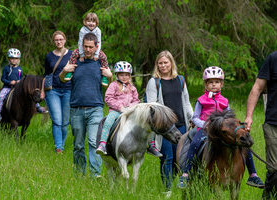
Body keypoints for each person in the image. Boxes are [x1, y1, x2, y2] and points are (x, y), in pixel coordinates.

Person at [179, 66, 264, 189]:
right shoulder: (201, 100)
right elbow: (195, 117)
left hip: (223, 132)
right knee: (195, 144)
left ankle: (253, 175)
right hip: (205, 130)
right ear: (206, 84)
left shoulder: (224, 100)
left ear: (221, 84)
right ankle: (185, 174)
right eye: (211, 82)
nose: (214, 85)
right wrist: (205, 124)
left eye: (217, 82)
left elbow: (229, 117)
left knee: (244, 145)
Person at [59, 32, 112, 177]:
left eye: (91, 47)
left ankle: (96, 175)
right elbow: (62, 79)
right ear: (82, 46)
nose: (88, 50)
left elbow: (109, 88)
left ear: (96, 47)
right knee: (78, 145)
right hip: (76, 109)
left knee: (94, 143)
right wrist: (64, 71)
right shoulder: (75, 62)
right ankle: (79, 174)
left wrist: (110, 76)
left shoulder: (100, 64)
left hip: (96, 108)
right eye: (85, 46)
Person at [146, 50, 193, 190]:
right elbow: (151, 107)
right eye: (160, 63)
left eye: (165, 62)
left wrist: (192, 118)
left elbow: (186, 102)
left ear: (171, 63)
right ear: (157, 65)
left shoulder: (180, 80)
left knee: (181, 158)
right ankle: (167, 189)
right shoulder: (154, 82)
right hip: (164, 128)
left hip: (181, 125)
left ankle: (180, 185)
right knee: (167, 157)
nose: (163, 66)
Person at [245, 51, 277, 199]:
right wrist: (249, 116)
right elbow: (257, 88)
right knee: (274, 168)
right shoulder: (273, 58)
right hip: (273, 123)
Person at [96, 61, 140, 155]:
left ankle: (149, 144)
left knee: (143, 121)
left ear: (130, 76)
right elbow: (108, 98)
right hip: (116, 111)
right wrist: (120, 107)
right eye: (122, 75)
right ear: (117, 75)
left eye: (127, 75)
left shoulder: (132, 88)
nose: (124, 77)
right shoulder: (113, 85)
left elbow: (136, 100)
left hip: (130, 111)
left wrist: (131, 106)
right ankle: (103, 144)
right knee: (108, 122)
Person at [42, 30, 73, 154]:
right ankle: (58, 148)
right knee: (57, 120)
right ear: (54, 41)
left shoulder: (72, 55)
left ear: (65, 40)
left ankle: (62, 145)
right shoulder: (49, 56)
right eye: (56, 40)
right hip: (53, 90)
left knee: (65, 123)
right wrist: (43, 91)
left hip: (68, 90)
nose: (59, 42)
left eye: (61, 39)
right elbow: (46, 74)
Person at [0, 48, 46, 123]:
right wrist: (10, 82)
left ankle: (38, 107)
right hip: (8, 87)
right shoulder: (6, 68)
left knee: (31, 95)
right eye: (12, 58)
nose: (14, 60)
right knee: (1, 96)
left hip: (17, 88)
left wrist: (21, 81)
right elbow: (3, 79)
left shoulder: (19, 69)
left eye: (16, 59)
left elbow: (21, 78)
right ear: (9, 59)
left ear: (18, 59)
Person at [65, 12, 109, 87]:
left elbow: (99, 42)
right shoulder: (83, 30)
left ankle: (105, 76)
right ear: (85, 22)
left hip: (95, 49)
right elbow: (80, 42)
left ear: (96, 22)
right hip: (83, 47)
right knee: (74, 54)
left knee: (104, 57)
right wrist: (81, 54)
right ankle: (70, 71)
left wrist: (96, 54)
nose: (91, 23)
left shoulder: (98, 31)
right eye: (89, 21)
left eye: (93, 21)